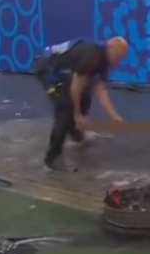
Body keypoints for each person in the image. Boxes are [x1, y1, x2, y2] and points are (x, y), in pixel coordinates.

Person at [32, 37, 129, 172]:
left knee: (86, 93)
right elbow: (76, 86)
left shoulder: (104, 62)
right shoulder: (92, 55)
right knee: (66, 107)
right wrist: (77, 114)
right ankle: (52, 159)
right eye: (118, 57)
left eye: (121, 58)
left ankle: (75, 132)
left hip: (63, 73)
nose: (119, 61)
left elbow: (101, 90)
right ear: (110, 47)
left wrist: (114, 116)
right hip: (47, 68)